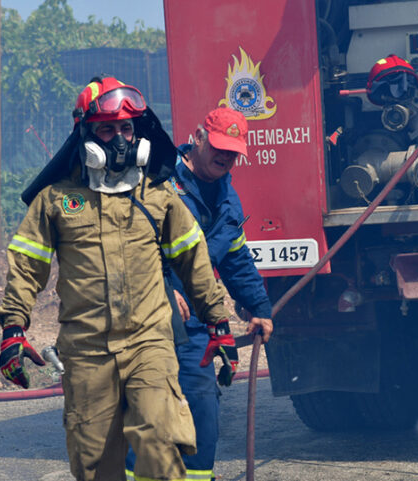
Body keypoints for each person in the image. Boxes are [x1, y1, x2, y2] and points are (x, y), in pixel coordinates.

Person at [0, 77, 238, 481]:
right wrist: (13, 330)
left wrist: (219, 323)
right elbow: (26, 265)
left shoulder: (158, 195)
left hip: (149, 342)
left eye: (127, 128)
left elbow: (193, 260)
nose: (120, 139)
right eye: (108, 129)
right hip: (86, 350)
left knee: (161, 440)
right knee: (96, 466)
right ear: (86, 134)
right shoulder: (56, 200)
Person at [127, 107, 274, 481]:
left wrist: (258, 306)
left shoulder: (228, 199)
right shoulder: (156, 181)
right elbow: (130, 245)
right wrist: (163, 286)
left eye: (233, 152)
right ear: (197, 137)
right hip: (146, 321)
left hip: (196, 329)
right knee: (149, 412)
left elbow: (236, 258)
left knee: (201, 409)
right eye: (218, 147)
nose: (224, 157)